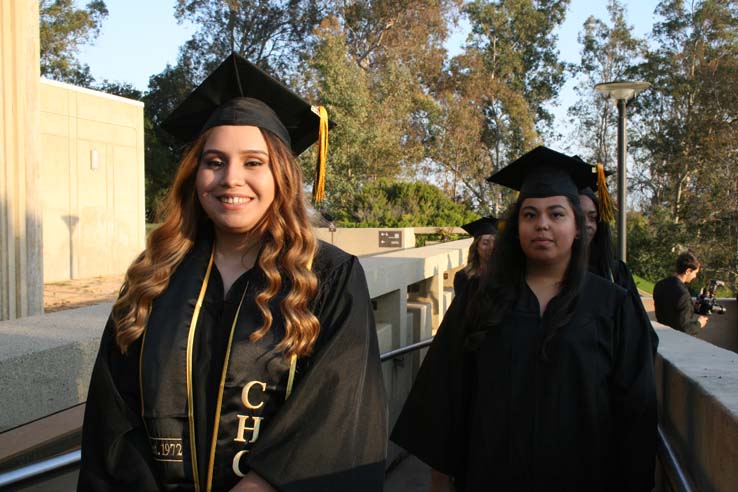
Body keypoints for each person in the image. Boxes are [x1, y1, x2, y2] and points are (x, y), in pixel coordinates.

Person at [78, 53, 387, 492]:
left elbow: (336, 416)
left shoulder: (329, 278)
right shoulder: (155, 276)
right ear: (195, 173)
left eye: (253, 162)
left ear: (280, 174)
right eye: (215, 161)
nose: (230, 178)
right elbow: (113, 417)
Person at [391, 146, 657, 492]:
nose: (542, 224)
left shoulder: (613, 305)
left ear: (578, 227)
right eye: (529, 215)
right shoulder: (480, 298)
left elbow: (636, 410)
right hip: (491, 477)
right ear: (516, 228)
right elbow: (447, 395)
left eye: (557, 214)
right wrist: (440, 481)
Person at [579, 169, 659, 353]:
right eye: (578, 216)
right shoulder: (546, 273)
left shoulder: (615, 273)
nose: (587, 224)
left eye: (593, 217)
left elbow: (643, 338)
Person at [653, 251, 709, 335]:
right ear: (688, 271)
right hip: (675, 338)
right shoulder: (683, 293)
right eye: (695, 273)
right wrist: (699, 323)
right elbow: (684, 328)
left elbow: (672, 309)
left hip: (661, 335)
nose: (695, 276)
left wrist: (691, 307)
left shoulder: (660, 285)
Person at [453, 216, 499, 295]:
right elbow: (460, 305)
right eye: (485, 243)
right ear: (476, 247)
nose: (491, 247)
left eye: (495, 243)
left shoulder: (506, 275)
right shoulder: (464, 277)